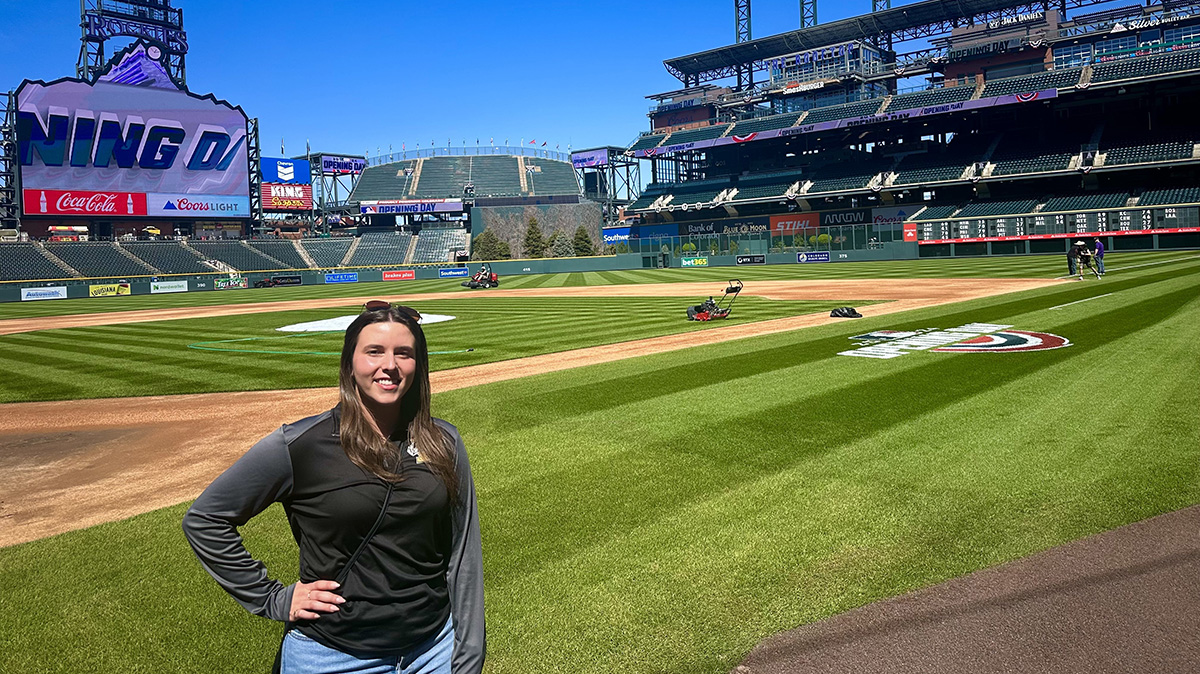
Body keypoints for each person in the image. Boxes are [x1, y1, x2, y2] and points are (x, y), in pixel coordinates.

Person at [183, 302, 484, 674]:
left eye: (403, 353)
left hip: (432, 651)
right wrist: (274, 599)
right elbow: (206, 519)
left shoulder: (444, 442)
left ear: (418, 366)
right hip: (331, 657)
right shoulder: (301, 445)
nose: (389, 365)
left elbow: (462, 554)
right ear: (349, 363)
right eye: (374, 351)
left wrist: (468, 653)